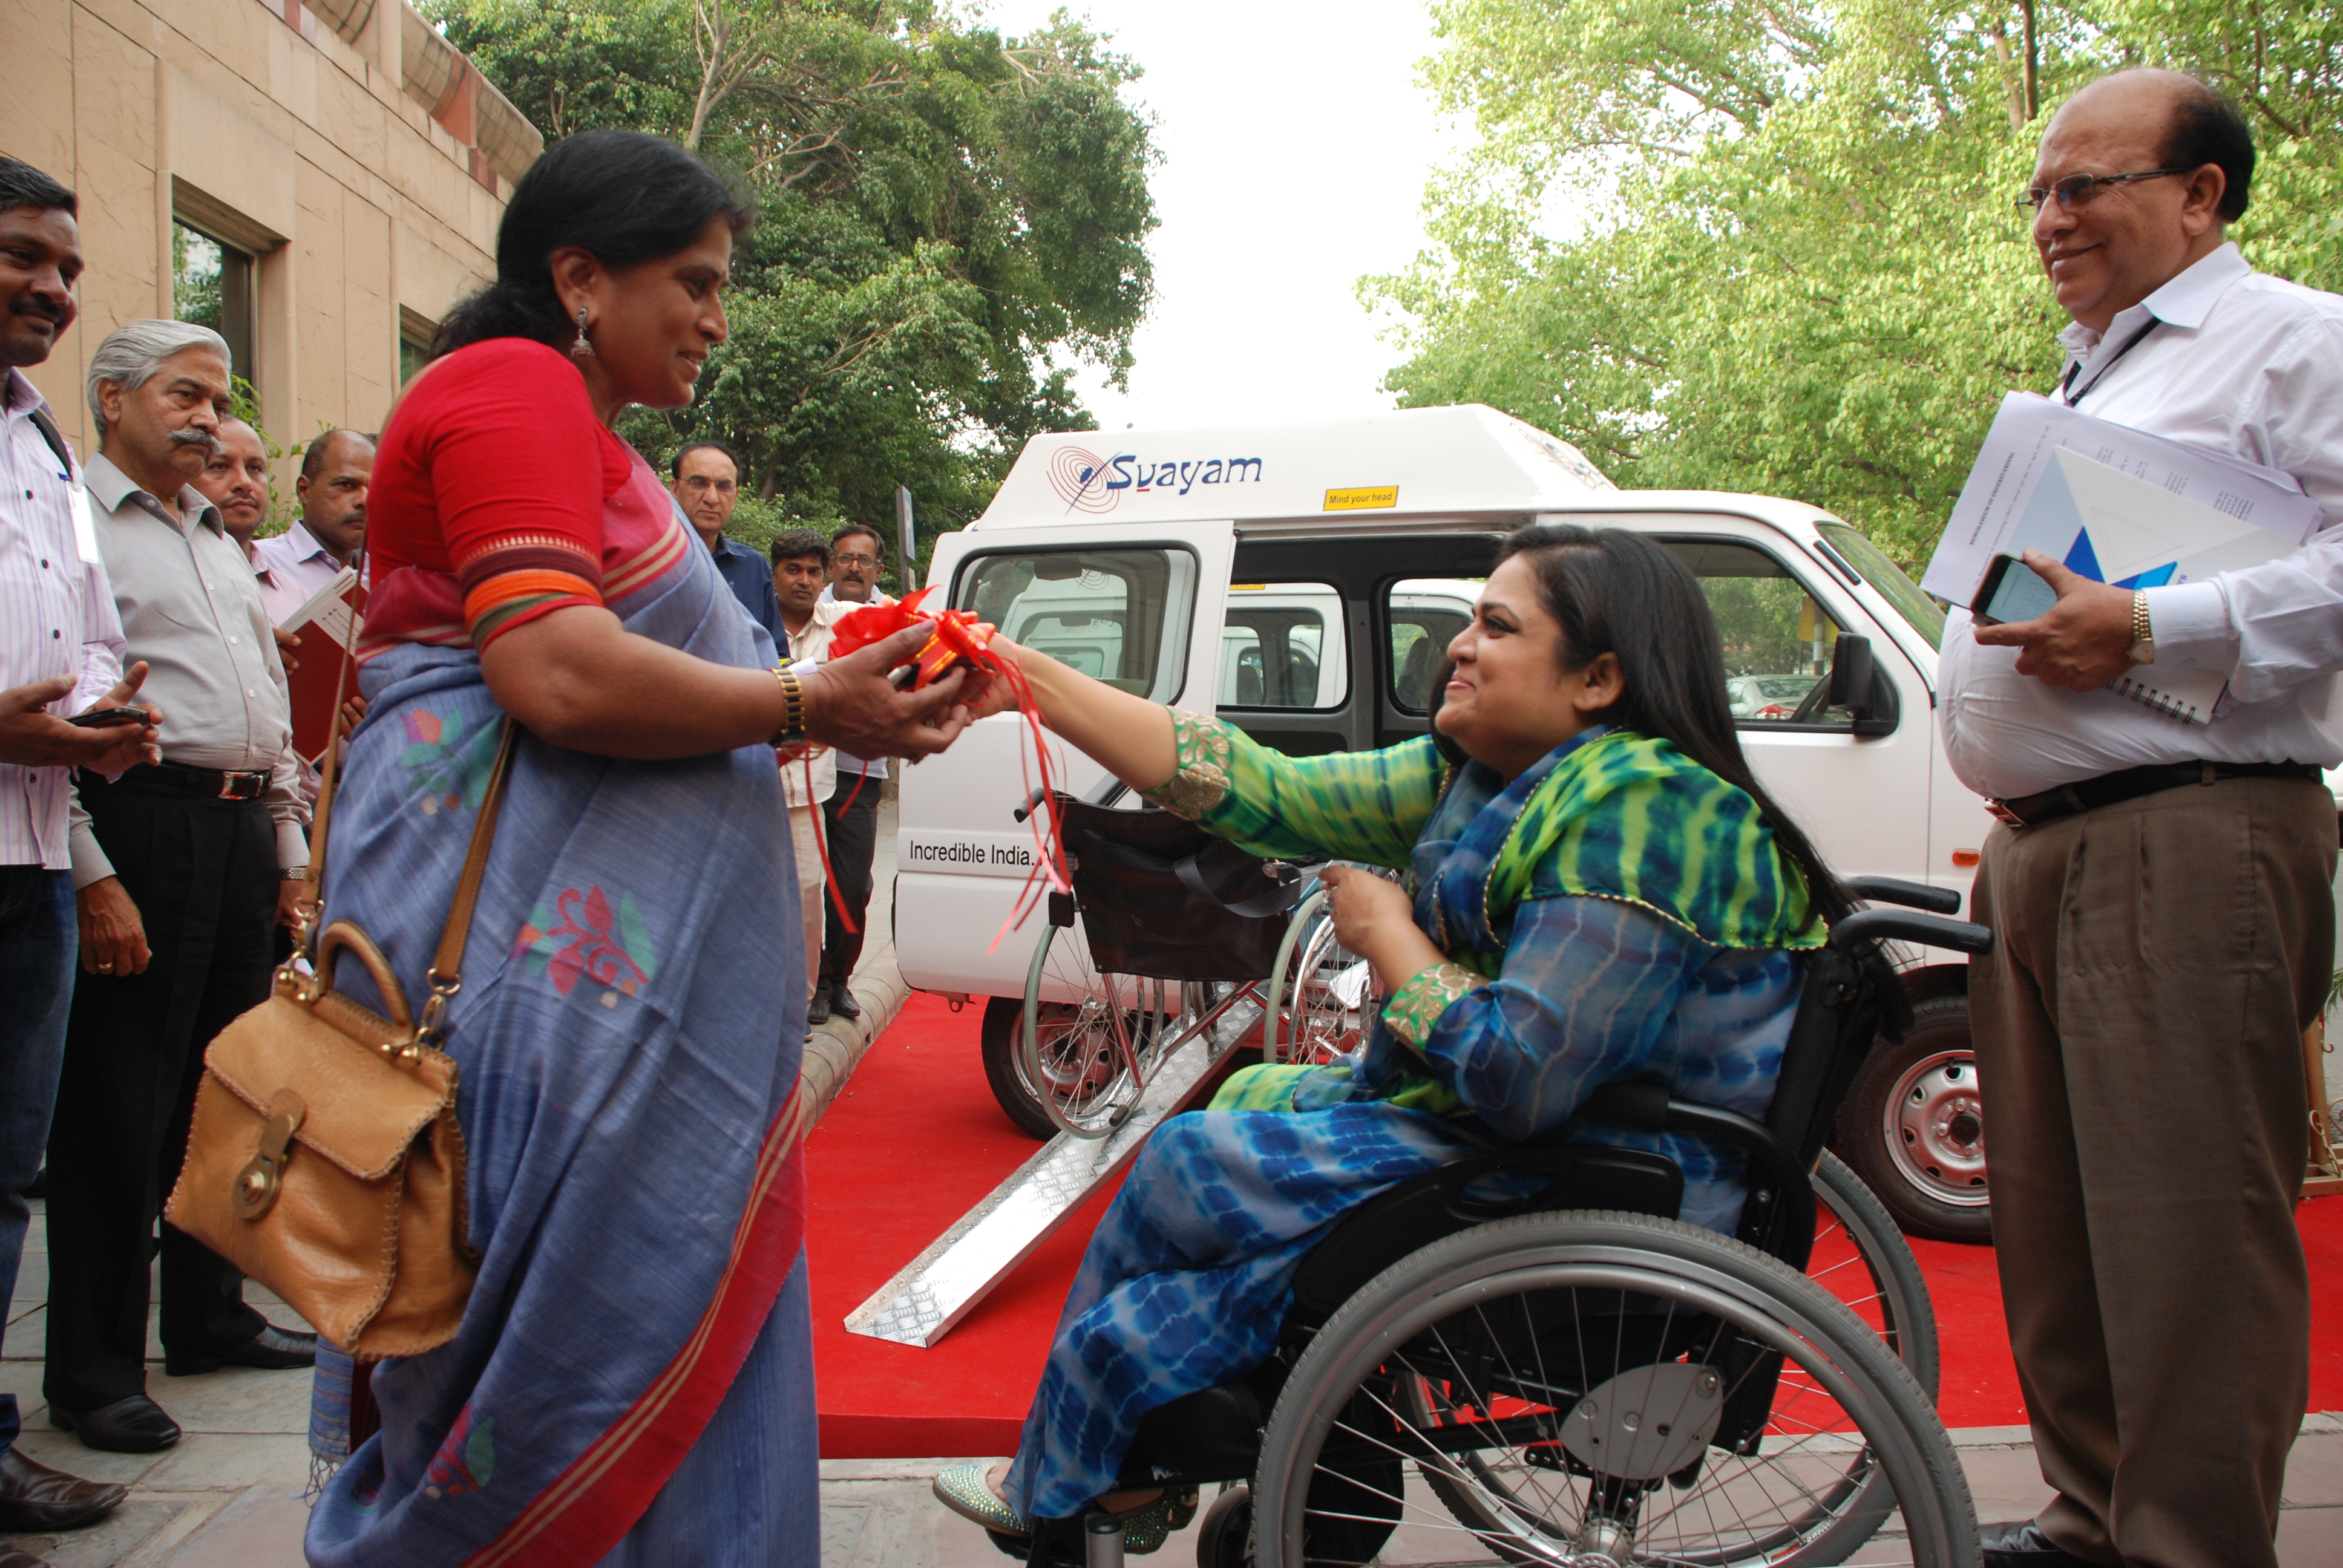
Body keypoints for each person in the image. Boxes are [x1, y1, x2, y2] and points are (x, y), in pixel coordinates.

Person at [302, 128, 983, 1567]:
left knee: (643, 1311)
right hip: (526, 986)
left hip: (601, 993)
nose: (718, 320)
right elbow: (556, 673)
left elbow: (658, 698)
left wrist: (857, 704)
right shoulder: (507, 390)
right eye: (696, 281)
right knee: (559, 1331)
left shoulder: (573, 425)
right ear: (577, 278)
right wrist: (812, 695)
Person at [933, 524, 1866, 1553]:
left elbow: (1522, 1077)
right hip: (1543, 1142)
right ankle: (1179, 1438)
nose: (1459, 644)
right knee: (1250, 1098)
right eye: (1469, 618)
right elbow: (1262, 791)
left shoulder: (1642, 807)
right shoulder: (1493, 774)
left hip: (1603, 1175)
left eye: (1495, 625)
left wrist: (1389, 937)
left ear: (1597, 677)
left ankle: (1108, 1455)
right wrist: (1019, 674)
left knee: (1192, 1163)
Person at [1938, 70, 2343, 1568]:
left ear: (2201, 193)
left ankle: (2188, 1546)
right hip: (2047, 849)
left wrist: (2162, 626)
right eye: (2040, 193)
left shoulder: (2290, 341)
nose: (2052, 219)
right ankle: (2093, 1522)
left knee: (2184, 1241)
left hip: (2193, 837)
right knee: (2053, 1234)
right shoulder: (2093, 368)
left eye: (2085, 187)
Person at [41, 320, 320, 1457]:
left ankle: (207, 1314)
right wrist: (93, 873)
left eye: (216, 399)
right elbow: (49, 714)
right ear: (112, 400)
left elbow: (263, 698)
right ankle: (94, 1371)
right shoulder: (69, 529)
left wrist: (290, 861)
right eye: (183, 396)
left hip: (242, 827)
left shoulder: (216, 537)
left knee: (229, 1095)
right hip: (139, 824)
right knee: (119, 1110)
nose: (207, 419)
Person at [0, 152, 153, 1567]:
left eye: (65, 267)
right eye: (23, 257)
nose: (49, 287)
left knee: (6, 1172)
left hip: (31, 847)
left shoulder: (35, 445)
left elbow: (87, 627)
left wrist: (92, 708)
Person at [817, 521, 893, 1021]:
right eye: (845, 558)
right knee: (801, 885)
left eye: (864, 560)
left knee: (851, 886)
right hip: (804, 767)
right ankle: (804, 985)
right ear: (831, 565)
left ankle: (836, 980)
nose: (854, 568)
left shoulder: (896, 618)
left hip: (860, 772)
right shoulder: (809, 610)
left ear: (879, 569)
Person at [771, 528, 845, 1018]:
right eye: (793, 570)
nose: (804, 580)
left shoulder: (839, 622)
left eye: (814, 572)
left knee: (805, 897)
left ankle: (797, 1006)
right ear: (773, 573)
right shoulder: (750, 619)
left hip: (808, 791)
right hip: (753, 781)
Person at [252, 428, 371, 623]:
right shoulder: (261, 563)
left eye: (373, 489)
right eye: (346, 485)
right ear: (304, 490)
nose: (364, 500)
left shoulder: (385, 574)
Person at [670, 439, 779, 641]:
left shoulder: (753, 567)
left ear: (736, 495)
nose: (711, 498)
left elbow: (775, 653)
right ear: (675, 489)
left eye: (723, 487)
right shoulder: (651, 561)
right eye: (698, 483)